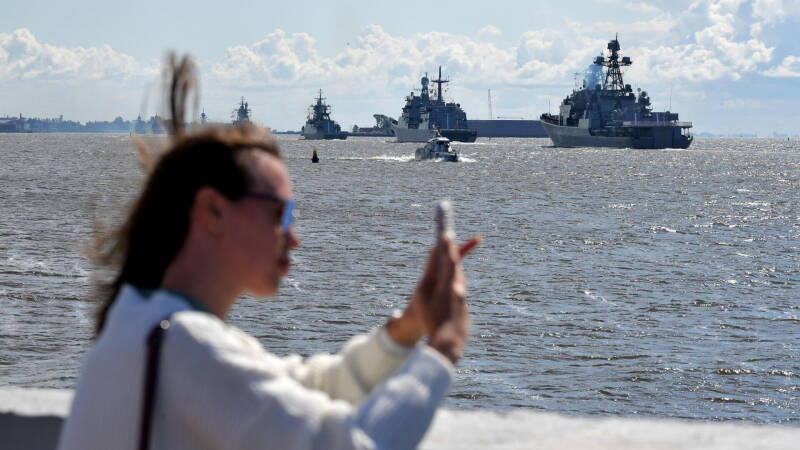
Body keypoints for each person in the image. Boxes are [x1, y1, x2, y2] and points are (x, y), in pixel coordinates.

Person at [58, 54, 479, 450]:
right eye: (280, 213)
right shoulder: (189, 348)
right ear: (213, 211)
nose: (293, 236)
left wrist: (407, 327)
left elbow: (312, 391)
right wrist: (443, 349)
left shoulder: (153, 322)